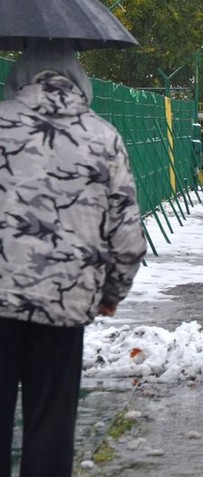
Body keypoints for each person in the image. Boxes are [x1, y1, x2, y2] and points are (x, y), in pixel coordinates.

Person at [0, 39, 146, 477]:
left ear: (17, 79)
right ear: (81, 84)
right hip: (63, 304)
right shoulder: (102, 137)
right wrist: (111, 292)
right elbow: (127, 235)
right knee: (51, 428)